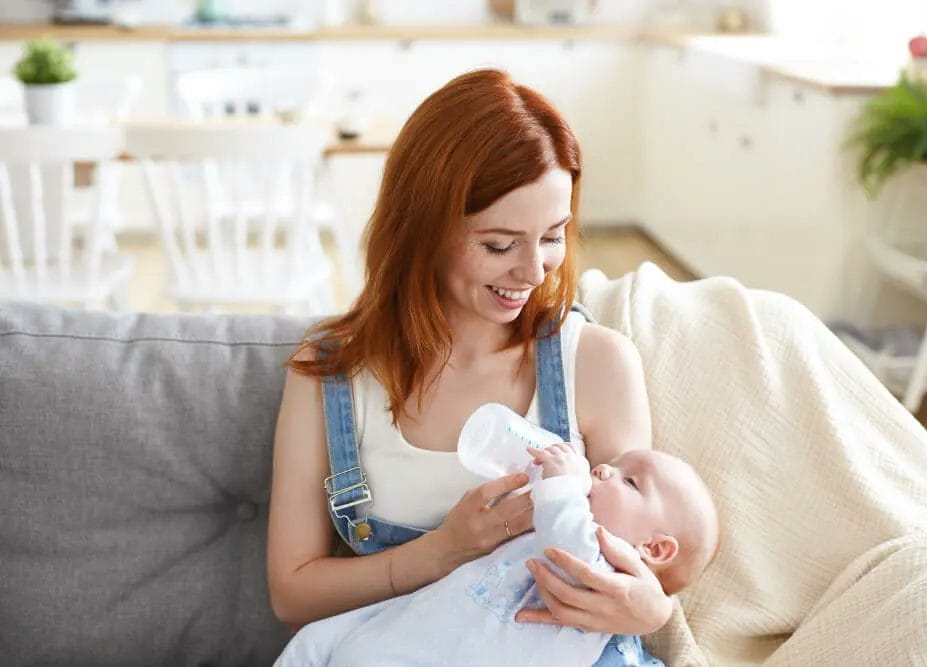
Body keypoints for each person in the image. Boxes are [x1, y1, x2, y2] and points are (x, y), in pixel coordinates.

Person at [267, 68, 673, 665]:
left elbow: (632, 566)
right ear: (423, 231)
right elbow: (292, 591)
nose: (534, 272)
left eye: (553, 236)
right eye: (499, 245)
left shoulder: (597, 363)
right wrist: (443, 551)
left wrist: (653, 610)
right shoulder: (330, 377)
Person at [272, 439, 719, 667]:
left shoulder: (601, 576)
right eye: (615, 465)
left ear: (654, 549)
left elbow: (571, 543)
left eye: (629, 481)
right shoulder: (548, 531)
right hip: (390, 637)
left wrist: (563, 483)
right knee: (312, 641)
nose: (603, 468)